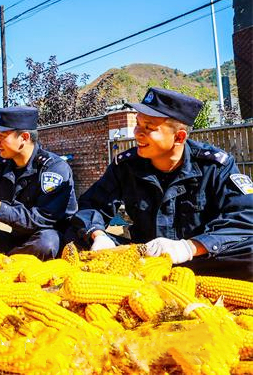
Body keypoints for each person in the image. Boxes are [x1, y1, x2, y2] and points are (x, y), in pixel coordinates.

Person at [72, 87, 253, 280]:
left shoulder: (215, 166)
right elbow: (91, 205)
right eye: (138, 124)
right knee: (70, 237)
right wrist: (98, 235)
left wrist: (189, 247)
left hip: (197, 257)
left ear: (179, 137)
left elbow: (245, 217)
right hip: (144, 258)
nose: (137, 133)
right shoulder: (125, 166)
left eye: (148, 127)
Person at [0, 106, 77, 260]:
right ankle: (11, 258)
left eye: (2, 135)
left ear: (24, 137)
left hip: (47, 237)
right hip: (18, 240)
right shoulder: (0, 167)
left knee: (47, 243)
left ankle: (3, 259)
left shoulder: (53, 169)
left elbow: (41, 220)